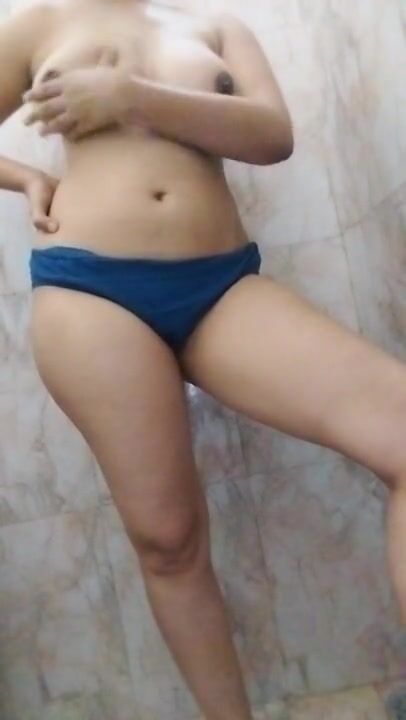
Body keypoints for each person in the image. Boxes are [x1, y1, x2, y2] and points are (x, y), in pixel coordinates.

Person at [0, 1, 405, 718]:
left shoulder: (215, 27)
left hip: (222, 285)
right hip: (92, 291)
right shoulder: (40, 23)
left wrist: (131, 98)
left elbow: (272, 137)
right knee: (169, 540)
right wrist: (28, 178)